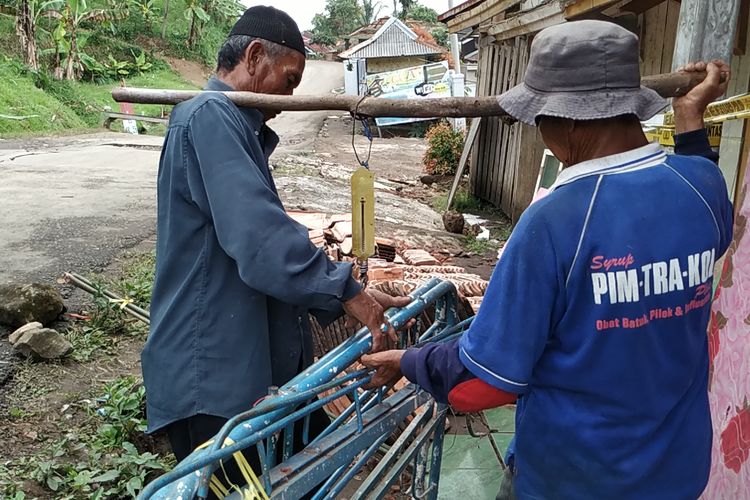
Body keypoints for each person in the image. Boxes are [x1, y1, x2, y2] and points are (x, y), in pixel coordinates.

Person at [361, 20, 733, 499]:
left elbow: (486, 379)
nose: (538, 129)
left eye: (539, 115)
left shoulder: (554, 222)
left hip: (575, 478)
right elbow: (710, 213)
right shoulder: (700, 186)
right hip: (677, 470)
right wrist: (690, 116)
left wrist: (410, 360)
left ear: (569, 119)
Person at [140, 5, 409, 492]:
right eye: (289, 80)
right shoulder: (209, 116)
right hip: (215, 385)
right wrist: (349, 291)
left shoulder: (233, 127)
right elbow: (260, 238)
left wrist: (344, 293)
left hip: (245, 379)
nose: (289, 99)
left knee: (304, 472)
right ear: (255, 56)